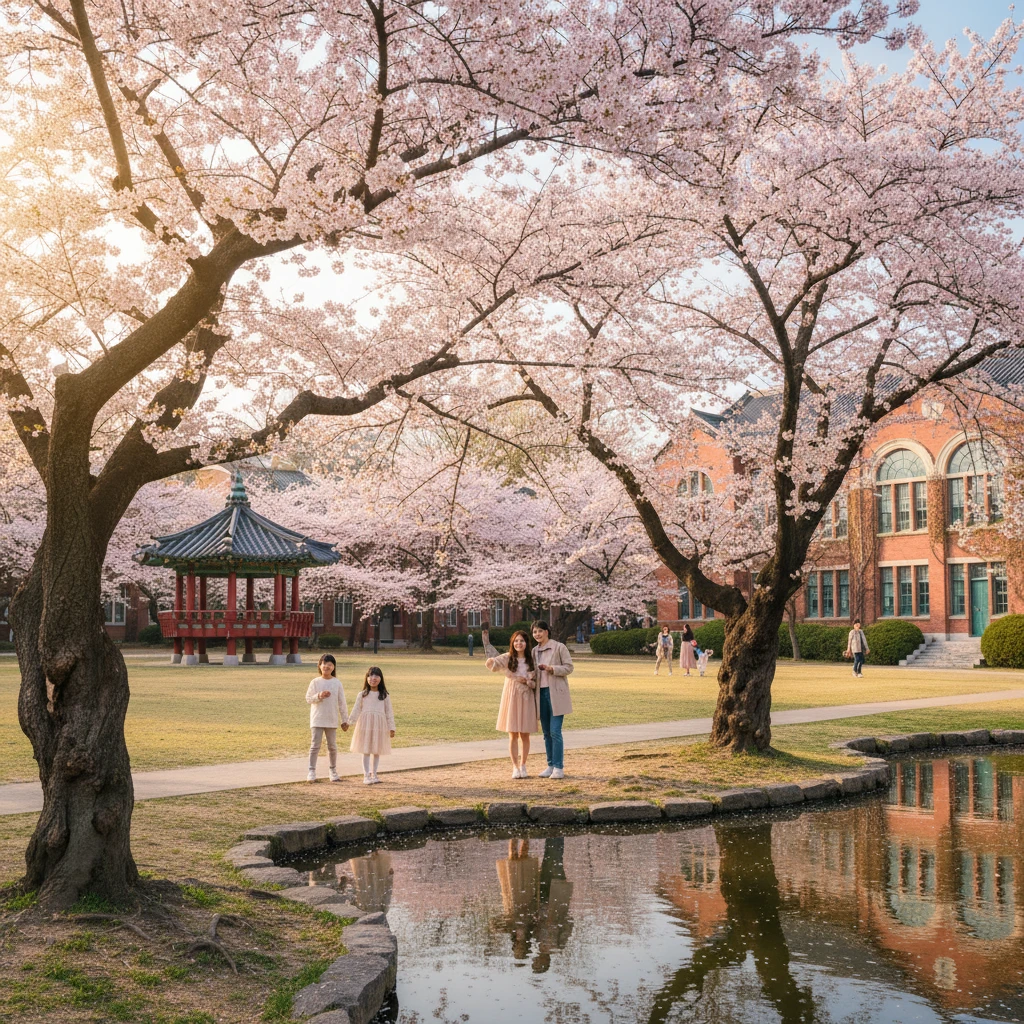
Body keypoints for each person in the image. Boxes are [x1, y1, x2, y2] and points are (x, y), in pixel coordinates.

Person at [485, 630, 538, 778]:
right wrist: (491, 660)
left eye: (521, 641)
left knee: (525, 734)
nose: (518, 643)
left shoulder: (532, 659)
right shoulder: (508, 657)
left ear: (526, 643)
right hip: (512, 696)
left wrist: (529, 682)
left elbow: (537, 680)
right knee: (513, 733)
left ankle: (523, 765)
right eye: (516, 641)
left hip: (526, 697)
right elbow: (493, 664)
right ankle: (515, 767)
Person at [531, 620, 574, 779]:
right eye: (534, 632)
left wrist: (552, 669)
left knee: (555, 731)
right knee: (546, 732)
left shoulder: (559, 647)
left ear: (546, 631)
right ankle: (550, 765)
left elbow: (569, 667)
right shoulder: (534, 651)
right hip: (540, 694)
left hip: (556, 693)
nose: (537, 634)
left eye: (540, 631)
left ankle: (558, 767)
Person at [305, 653, 349, 782]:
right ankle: (311, 771)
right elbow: (308, 699)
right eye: (324, 664)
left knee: (332, 746)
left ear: (333, 667)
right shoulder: (315, 682)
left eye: (330, 664)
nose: (327, 666)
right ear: (319, 665)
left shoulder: (337, 683)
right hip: (317, 719)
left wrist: (345, 720)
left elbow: (342, 703)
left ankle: (332, 770)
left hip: (331, 718)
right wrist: (319, 696)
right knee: (315, 746)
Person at [349, 666, 396, 784]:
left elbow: (389, 712)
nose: (373, 678)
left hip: (379, 725)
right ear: (367, 678)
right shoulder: (362, 695)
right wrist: (349, 722)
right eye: (370, 676)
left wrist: (391, 728)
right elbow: (356, 710)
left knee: (376, 750)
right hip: (365, 725)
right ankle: (366, 775)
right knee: (366, 750)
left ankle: (374, 774)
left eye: (376, 676)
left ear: (381, 679)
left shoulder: (384, 695)